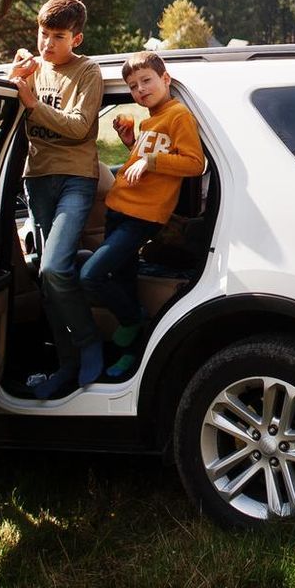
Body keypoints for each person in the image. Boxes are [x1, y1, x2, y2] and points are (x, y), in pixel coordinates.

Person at [83, 50, 205, 383]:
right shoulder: (150, 120)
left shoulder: (177, 115)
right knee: (124, 282)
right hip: (118, 210)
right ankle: (129, 357)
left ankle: (134, 320)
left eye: (146, 81)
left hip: (142, 216)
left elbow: (194, 163)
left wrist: (148, 161)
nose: (140, 90)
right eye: (133, 86)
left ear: (165, 79)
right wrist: (131, 144)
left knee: (90, 275)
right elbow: (151, 160)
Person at [11, 0, 105, 399]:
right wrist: (10, 79)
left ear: (76, 38)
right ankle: (66, 365)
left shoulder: (88, 71)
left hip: (75, 178)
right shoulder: (30, 70)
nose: (47, 44)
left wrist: (32, 104)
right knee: (48, 281)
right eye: (43, 34)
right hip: (37, 180)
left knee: (52, 267)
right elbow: (2, 119)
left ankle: (88, 344)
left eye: (58, 36)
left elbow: (81, 128)